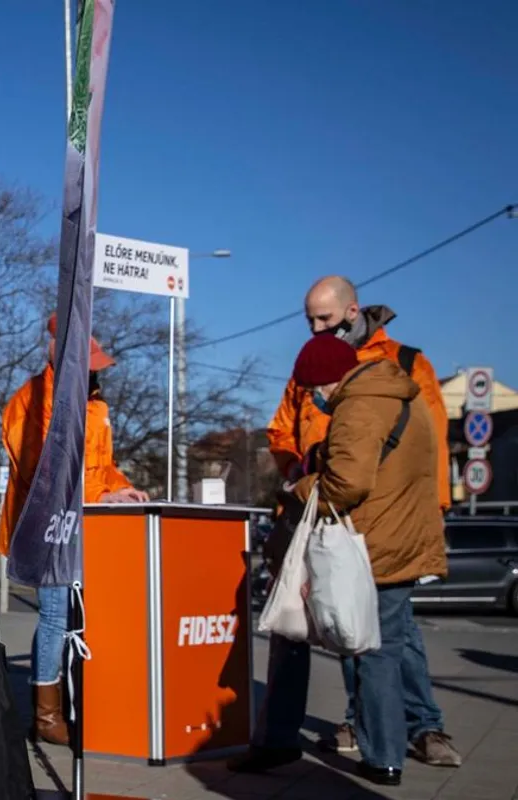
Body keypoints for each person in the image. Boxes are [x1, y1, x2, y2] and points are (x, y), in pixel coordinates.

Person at [237, 275, 458, 773]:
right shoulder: (317, 366)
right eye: (309, 320)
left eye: (326, 320)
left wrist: (431, 513)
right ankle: (364, 744)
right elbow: (283, 430)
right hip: (329, 522)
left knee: (376, 637)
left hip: (363, 525)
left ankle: (413, 730)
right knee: (322, 630)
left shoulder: (400, 365)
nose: (317, 329)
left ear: (353, 312)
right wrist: (295, 466)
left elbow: (422, 454)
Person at [286, 335, 446, 785]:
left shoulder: (358, 405)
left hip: (372, 548)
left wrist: (300, 489)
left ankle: (382, 756)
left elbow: (347, 484)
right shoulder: (403, 399)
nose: (314, 400)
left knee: (370, 655)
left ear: (327, 380)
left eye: (313, 390)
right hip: (405, 540)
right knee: (389, 652)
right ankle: (391, 749)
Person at [0, 316, 147, 745]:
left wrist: (121, 488)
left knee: (79, 618)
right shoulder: (31, 401)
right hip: (46, 528)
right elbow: (44, 471)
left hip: (86, 526)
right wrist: (102, 494)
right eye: (90, 364)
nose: (96, 372)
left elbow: (102, 466)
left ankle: (75, 703)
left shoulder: (95, 406)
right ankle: (47, 716)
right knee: (57, 616)